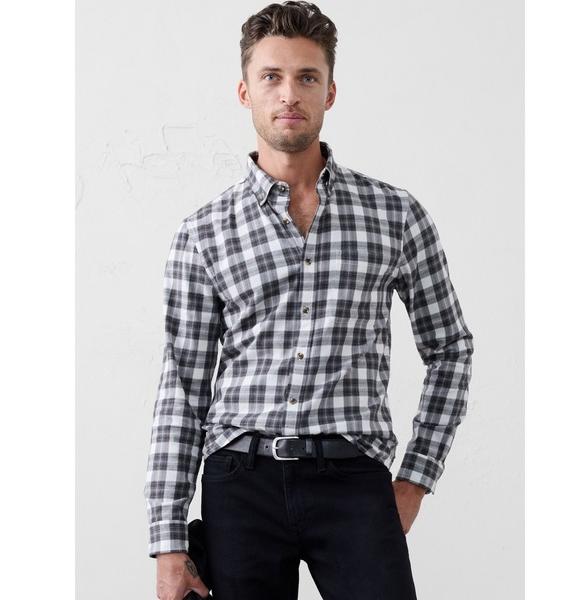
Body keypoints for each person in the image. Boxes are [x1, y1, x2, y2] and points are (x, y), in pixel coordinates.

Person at [144, 2, 475, 599]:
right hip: (239, 484)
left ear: (330, 92)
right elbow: (183, 387)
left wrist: (414, 479)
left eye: (307, 77)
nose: (289, 93)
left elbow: (450, 348)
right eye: (271, 76)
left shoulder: (395, 215)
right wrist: (168, 543)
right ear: (245, 91)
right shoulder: (203, 233)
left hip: (353, 480)